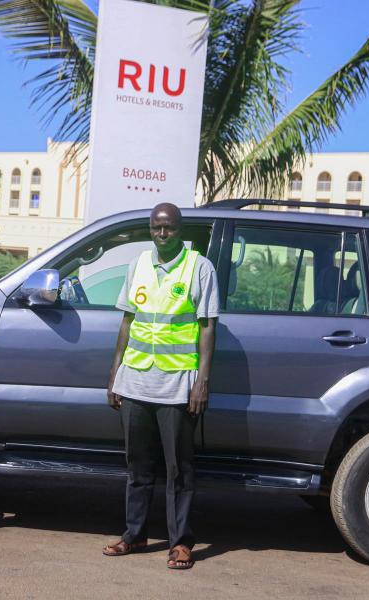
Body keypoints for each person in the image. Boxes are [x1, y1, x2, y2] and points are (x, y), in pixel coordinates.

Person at [102, 202, 218, 570]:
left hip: (177, 384)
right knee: (137, 466)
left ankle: (181, 543)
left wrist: (202, 382)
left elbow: (207, 327)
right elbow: (127, 321)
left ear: (179, 229)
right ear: (150, 229)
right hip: (136, 381)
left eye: (168, 227)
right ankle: (133, 535)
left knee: (178, 469)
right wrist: (115, 372)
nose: (162, 233)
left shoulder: (199, 267)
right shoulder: (138, 265)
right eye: (156, 227)